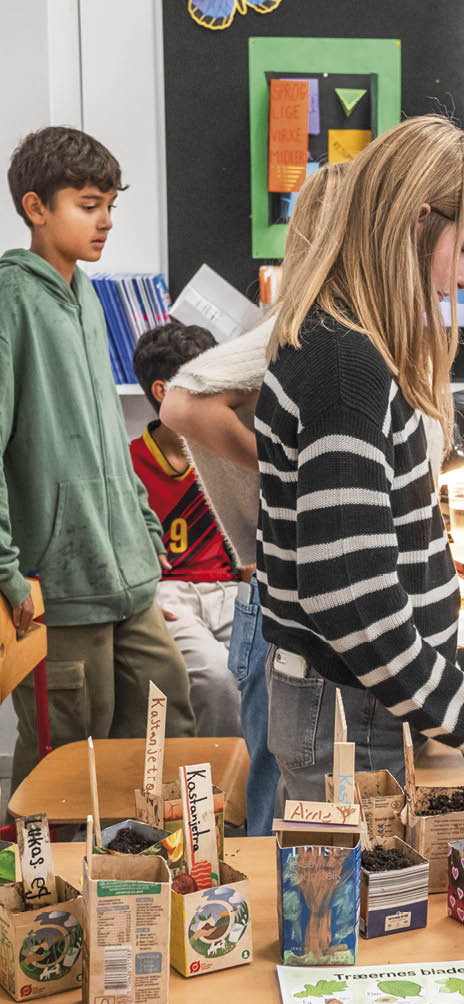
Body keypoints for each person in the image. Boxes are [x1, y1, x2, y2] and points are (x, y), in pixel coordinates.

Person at [256, 115, 464, 801]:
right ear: (417, 222)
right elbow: (351, 597)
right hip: (354, 712)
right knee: (348, 905)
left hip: (371, 700)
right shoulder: (345, 367)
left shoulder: (351, 343)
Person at [159, 163, 353, 833]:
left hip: (274, 599)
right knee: (283, 812)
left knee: (287, 794)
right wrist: (280, 467)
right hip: (280, 604)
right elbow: (185, 399)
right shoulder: (305, 325)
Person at [0, 126, 194, 791]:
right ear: (36, 207)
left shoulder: (84, 294)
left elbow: (110, 432)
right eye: (89, 204)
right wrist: (7, 571)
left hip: (128, 578)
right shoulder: (9, 301)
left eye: (111, 204)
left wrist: (141, 533)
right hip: (58, 587)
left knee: (168, 719)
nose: (106, 221)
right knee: (67, 767)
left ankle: (135, 882)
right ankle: (35, 890)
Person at [130, 322, 243, 739]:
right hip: (168, 593)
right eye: (203, 383)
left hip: (229, 590)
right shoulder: (130, 463)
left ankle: (266, 790)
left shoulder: (228, 448)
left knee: (276, 668)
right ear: (162, 392)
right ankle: (217, 791)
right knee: (215, 677)